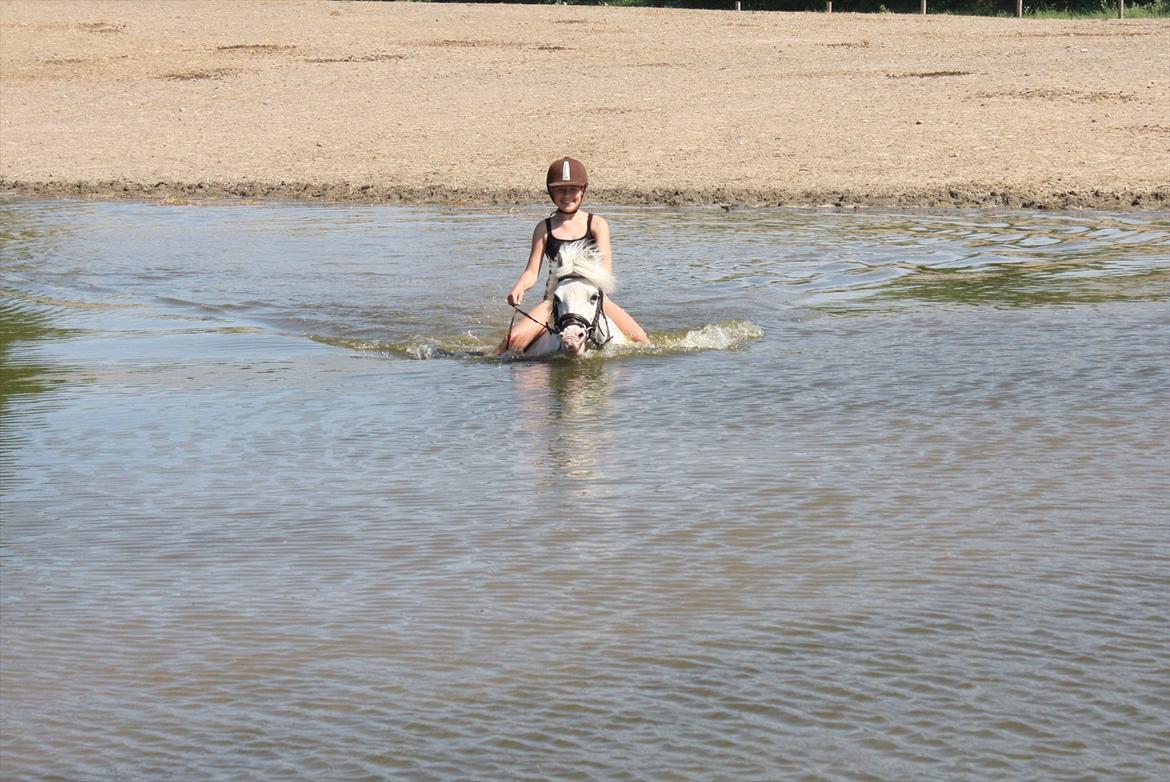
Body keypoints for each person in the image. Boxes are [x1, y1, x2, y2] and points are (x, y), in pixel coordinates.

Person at [495, 157, 650, 354]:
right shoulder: (544, 228)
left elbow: (606, 271)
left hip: (593, 297)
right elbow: (532, 272)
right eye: (560, 190)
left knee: (640, 339)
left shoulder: (597, 224)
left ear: (583, 189)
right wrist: (519, 287)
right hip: (555, 301)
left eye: (573, 189)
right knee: (510, 342)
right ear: (551, 192)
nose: (567, 195)